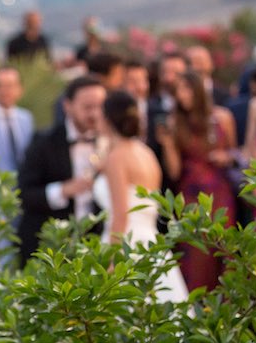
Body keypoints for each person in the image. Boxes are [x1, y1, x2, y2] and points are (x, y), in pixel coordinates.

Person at [93, 91, 188, 301]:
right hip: (151, 242)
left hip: (125, 242)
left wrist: (111, 262)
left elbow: (121, 215)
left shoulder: (117, 157)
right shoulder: (146, 153)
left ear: (108, 119)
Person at [157, 71, 237, 291]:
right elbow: (174, 172)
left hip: (220, 193)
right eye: (179, 90)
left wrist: (226, 157)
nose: (182, 95)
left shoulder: (222, 118)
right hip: (190, 195)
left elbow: (235, 153)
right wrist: (167, 145)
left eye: (187, 89)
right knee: (195, 255)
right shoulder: (175, 122)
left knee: (223, 249)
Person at [18, 76, 107, 260]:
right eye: (88, 107)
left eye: (100, 106)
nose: (95, 114)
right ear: (68, 106)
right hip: (51, 247)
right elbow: (25, 193)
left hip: (96, 245)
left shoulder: (110, 142)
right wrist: (63, 190)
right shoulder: (43, 142)